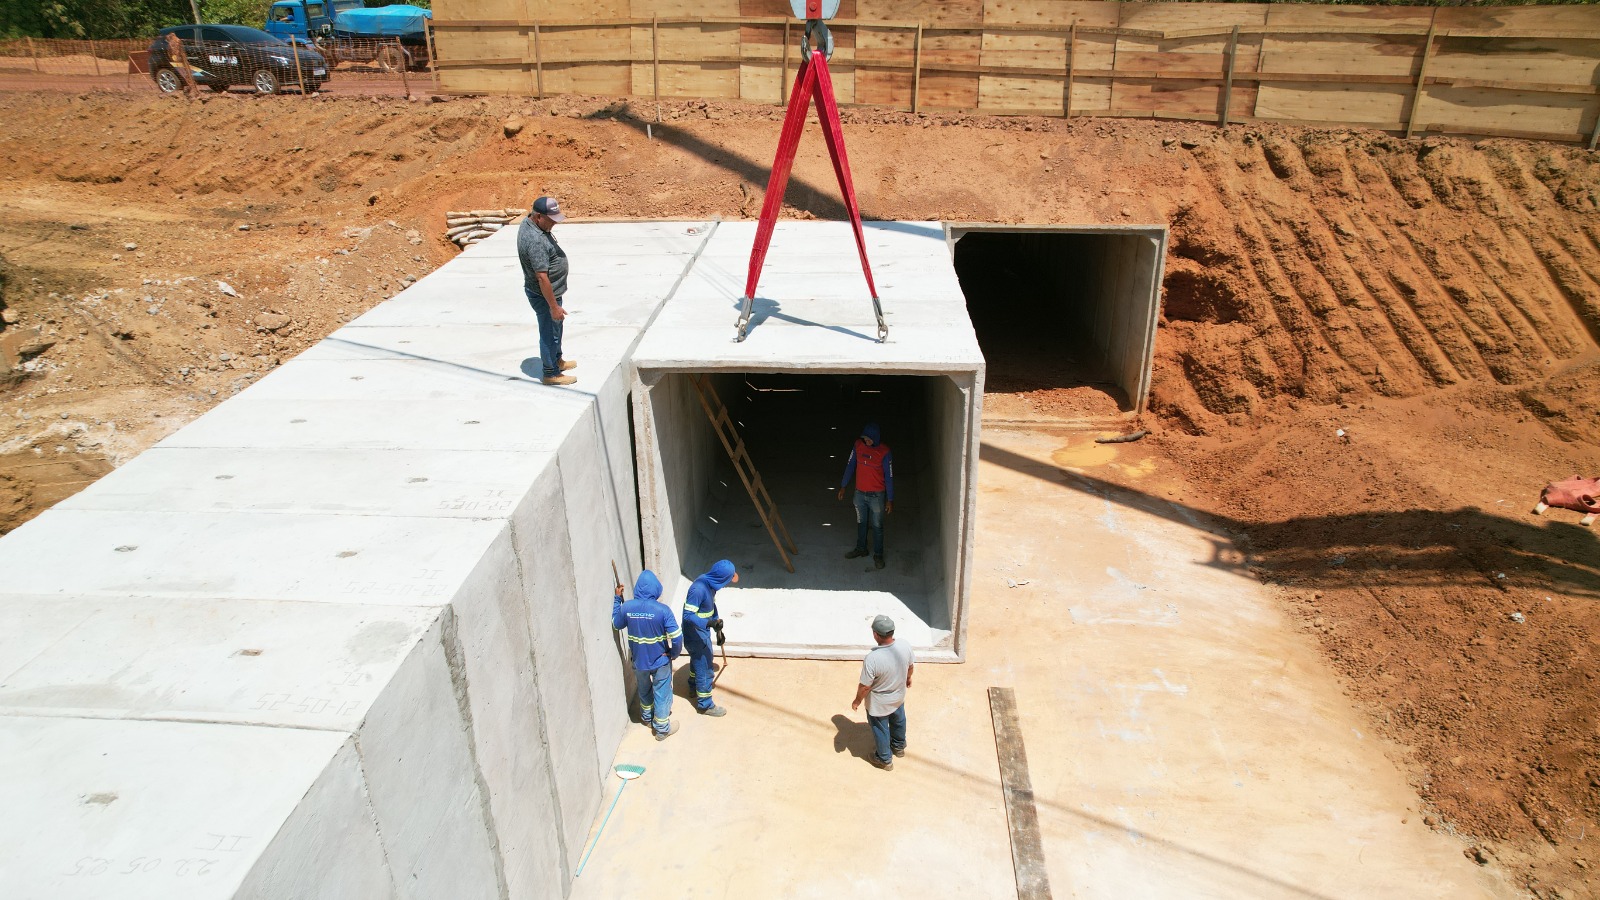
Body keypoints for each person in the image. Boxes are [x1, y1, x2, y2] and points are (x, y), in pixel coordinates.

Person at [612, 570, 683, 741]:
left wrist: (617, 600)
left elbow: (616, 624)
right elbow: (677, 637)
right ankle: (661, 729)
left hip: (639, 661)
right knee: (662, 693)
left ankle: (647, 718)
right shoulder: (663, 610)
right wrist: (673, 654)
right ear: (656, 589)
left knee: (644, 690)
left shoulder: (627, 607)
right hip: (660, 661)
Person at [518, 195, 576, 386]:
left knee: (556, 328)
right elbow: (542, 277)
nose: (553, 224)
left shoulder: (530, 222)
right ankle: (551, 373)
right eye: (550, 220)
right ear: (538, 217)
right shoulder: (535, 240)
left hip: (551, 293)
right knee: (549, 331)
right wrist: (553, 306)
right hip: (544, 295)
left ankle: (557, 360)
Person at [851, 615, 914, 771]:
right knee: (899, 720)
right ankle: (898, 747)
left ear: (875, 634)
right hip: (898, 696)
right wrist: (908, 678)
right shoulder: (904, 645)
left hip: (879, 704)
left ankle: (884, 759)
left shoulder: (872, 659)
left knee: (880, 728)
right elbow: (910, 666)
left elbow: (865, 687)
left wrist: (857, 701)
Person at [682, 559, 736, 717]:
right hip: (695, 635)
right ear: (721, 579)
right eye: (727, 580)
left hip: (701, 632)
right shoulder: (698, 589)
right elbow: (688, 616)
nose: (727, 584)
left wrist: (717, 624)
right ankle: (705, 705)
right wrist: (709, 623)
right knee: (705, 668)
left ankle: (693, 686)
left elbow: (711, 606)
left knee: (697, 662)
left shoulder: (709, 584)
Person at [837, 422, 893, 569]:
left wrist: (890, 499)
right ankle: (861, 548)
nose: (866, 441)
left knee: (877, 526)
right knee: (861, 522)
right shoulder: (858, 446)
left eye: (869, 439)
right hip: (859, 494)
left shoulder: (885, 452)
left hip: (877, 497)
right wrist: (843, 486)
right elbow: (850, 465)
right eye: (864, 438)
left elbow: (889, 477)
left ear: (876, 438)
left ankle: (878, 555)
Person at [164, 31, 198, 100]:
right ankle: (192, 89)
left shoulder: (176, 41)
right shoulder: (175, 42)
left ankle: (192, 89)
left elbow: (171, 52)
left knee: (186, 73)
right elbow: (172, 52)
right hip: (179, 60)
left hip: (180, 59)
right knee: (185, 73)